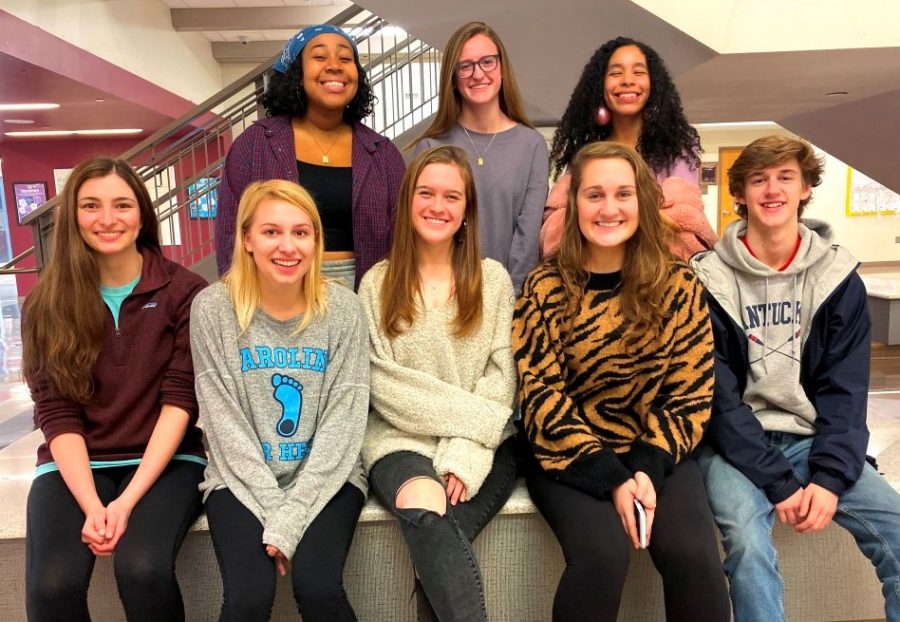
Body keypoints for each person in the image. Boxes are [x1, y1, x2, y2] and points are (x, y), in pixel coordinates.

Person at [514, 142, 730, 622]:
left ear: (642, 204)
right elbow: (541, 398)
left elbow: (689, 394)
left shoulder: (680, 286)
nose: (609, 209)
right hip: (569, 453)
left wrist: (646, 469)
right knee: (602, 559)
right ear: (574, 207)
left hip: (656, 448)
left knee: (695, 560)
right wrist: (613, 479)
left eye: (622, 194)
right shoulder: (542, 289)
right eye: (594, 195)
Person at [692, 135, 900, 622]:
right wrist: (780, 484)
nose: (772, 189)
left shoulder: (838, 277)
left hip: (813, 439)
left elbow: (846, 394)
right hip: (735, 449)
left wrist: (828, 479)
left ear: (806, 188)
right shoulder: (705, 280)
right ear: (738, 194)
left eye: (785, 177)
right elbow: (719, 403)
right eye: (758, 179)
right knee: (746, 543)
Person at [22, 158, 208, 622]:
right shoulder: (46, 304)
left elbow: (180, 400)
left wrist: (124, 503)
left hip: (166, 462)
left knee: (143, 570)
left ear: (142, 214)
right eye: (91, 206)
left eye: (122, 205)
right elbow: (56, 414)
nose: (108, 219)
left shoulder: (185, 292)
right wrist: (92, 505)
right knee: (52, 587)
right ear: (72, 217)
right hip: (79, 463)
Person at [192, 179, 369, 621]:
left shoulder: (344, 309)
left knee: (318, 588)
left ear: (315, 242)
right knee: (248, 598)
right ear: (247, 239)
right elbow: (223, 425)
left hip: (328, 475)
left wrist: (291, 515)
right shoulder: (212, 309)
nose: (287, 246)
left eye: (301, 232)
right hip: (239, 476)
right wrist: (278, 513)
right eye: (271, 231)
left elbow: (343, 421)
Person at [359, 145, 517, 622]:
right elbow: (383, 385)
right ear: (408, 202)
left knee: (439, 547)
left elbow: (500, 378)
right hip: (397, 440)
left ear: (467, 209)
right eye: (426, 193)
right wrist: (478, 419)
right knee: (427, 507)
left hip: (485, 445)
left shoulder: (493, 281)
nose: (437, 206)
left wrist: (464, 454)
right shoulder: (376, 284)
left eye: (452, 196)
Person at [215, 24, 405, 289]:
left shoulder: (382, 153)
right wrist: (237, 296)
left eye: (345, 58)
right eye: (319, 56)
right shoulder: (255, 144)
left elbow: (403, 238)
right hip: (273, 292)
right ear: (297, 72)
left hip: (364, 292)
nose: (334, 65)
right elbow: (229, 233)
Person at [541, 36, 716, 261]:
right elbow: (559, 223)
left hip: (658, 278)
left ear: (653, 84)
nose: (627, 81)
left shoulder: (676, 148)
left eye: (638, 72)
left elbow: (685, 222)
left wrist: (601, 219)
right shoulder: (585, 152)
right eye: (616, 73)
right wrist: (649, 215)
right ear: (599, 86)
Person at [410, 21, 549, 293]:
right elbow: (419, 233)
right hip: (443, 295)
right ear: (452, 76)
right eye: (465, 66)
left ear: (502, 67)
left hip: (509, 296)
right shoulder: (430, 147)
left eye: (487, 61)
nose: (478, 74)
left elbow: (528, 234)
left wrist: (512, 299)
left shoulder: (531, 145)